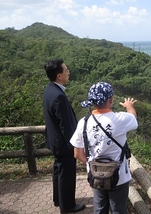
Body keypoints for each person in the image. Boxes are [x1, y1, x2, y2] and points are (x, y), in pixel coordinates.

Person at [70, 82, 138, 214]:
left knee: (100, 208)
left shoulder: (83, 122)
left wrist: (92, 165)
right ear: (111, 100)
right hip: (119, 175)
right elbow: (133, 118)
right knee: (118, 209)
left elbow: (77, 153)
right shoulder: (120, 119)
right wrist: (129, 106)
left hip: (95, 175)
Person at [43, 59, 85, 213]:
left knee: (58, 171)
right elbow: (65, 126)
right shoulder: (59, 96)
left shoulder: (49, 89)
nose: (69, 72)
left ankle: (58, 199)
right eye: (66, 70)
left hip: (54, 140)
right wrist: (73, 145)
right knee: (66, 174)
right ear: (59, 76)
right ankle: (67, 206)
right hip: (63, 143)